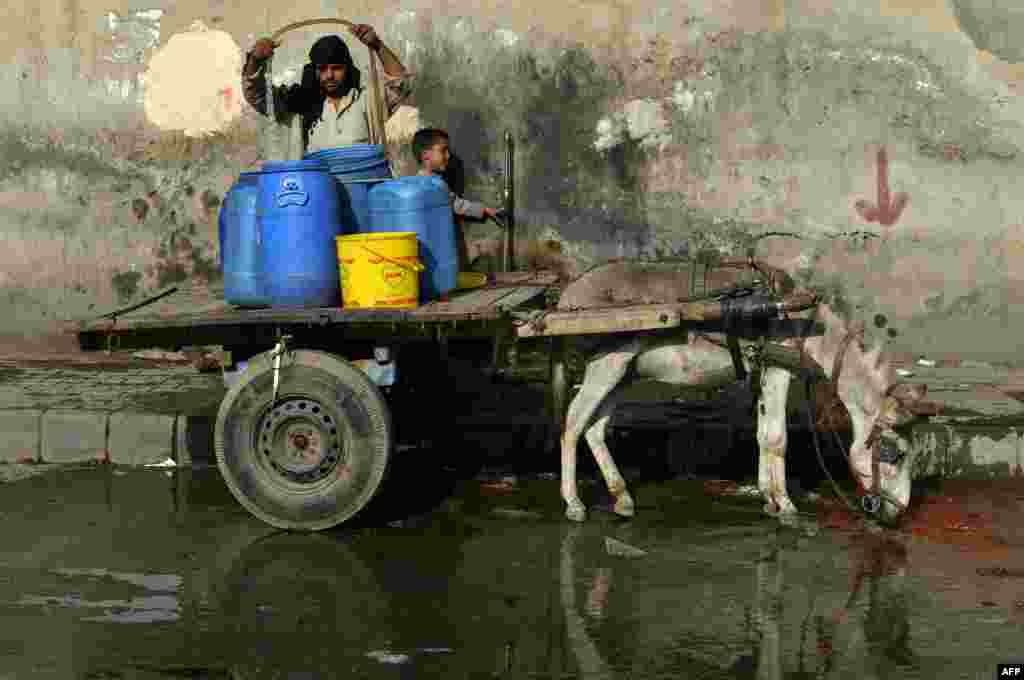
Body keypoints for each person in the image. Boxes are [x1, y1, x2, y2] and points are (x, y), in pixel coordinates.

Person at [241, 25, 411, 153]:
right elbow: (256, 95)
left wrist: (377, 46)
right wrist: (255, 60)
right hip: (318, 193)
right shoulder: (299, 106)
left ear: (347, 68)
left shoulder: (367, 101)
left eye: (336, 68)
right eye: (322, 69)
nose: (329, 75)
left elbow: (401, 83)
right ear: (314, 71)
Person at [412, 128, 499, 221]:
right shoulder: (433, 185)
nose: (448, 155)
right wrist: (483, 209)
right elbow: (456, 205)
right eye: (443, 150)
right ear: (426, 156)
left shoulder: (418, 183)